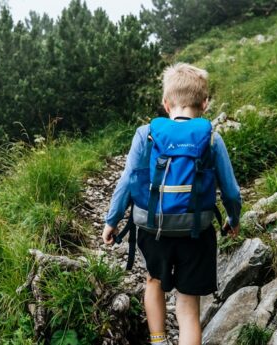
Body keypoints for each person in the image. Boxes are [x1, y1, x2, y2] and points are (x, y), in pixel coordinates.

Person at [102, 63, 242, 345]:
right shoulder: (212, 138)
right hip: (196, 232)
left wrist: (111, 220)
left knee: (153, 281)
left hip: (153, 228)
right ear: (204, 103)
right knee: (188, 303)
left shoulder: (146, 134)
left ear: (165, 103)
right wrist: (233, 219)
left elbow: (127, 181)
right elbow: (231, 191)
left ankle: (158, 340)